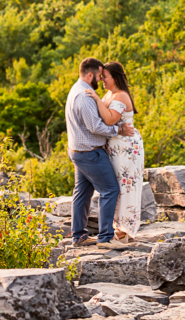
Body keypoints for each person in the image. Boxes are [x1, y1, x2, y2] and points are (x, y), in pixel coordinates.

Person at [65, 57, 135, 248]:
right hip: (90, 153)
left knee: (82, 193)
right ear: (90, 75)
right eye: (99, 76)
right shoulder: (85, 96)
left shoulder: (75, 90)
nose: (100, 80)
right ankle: (105, 238)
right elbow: (96, 126)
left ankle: (78, 236)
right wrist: (119, 131)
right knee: (110, 190)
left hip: (78, 151)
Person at [86, 61, 145, 241]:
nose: (102, 79)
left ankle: (126, 229)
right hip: (115, 147)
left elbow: (111, 120)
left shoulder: (120, 96)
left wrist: (96, 99)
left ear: (115, 77)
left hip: (126, 147)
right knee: (116, 185)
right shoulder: (109, 94)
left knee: (126, 186)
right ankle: (117, 226)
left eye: (105, 76)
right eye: (101, 76)